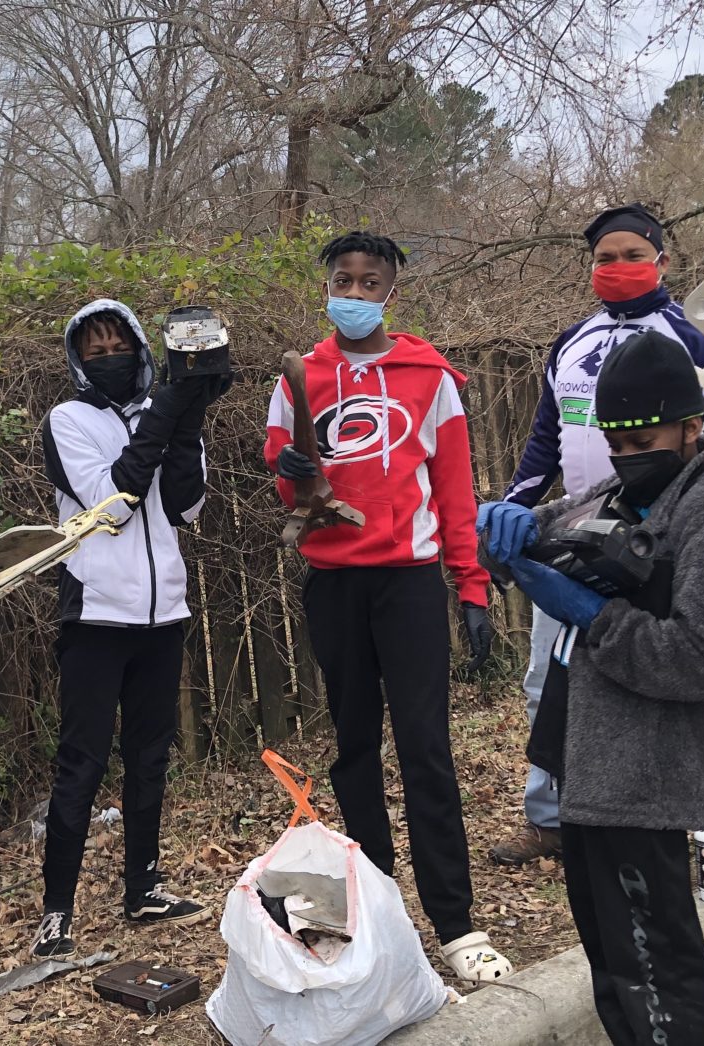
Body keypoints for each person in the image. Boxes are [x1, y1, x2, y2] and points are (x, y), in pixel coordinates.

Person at [491, 202, 704, 867]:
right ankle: (551, 817)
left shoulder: (695, 339)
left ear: (662, 261)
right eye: (606, 257)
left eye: (635, 255)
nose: (620, 267)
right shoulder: (570, 343)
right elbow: (546, 442)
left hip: (658, 541)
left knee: (646, 679)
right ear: (591, 267)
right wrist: (509, 515)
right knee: (550, 680)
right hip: (575, 536)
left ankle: (656, 823)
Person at [477, 329, 704, 1045]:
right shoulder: (614, 490)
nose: (628, 457)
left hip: (651, 778)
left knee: (655, 963)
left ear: (692, 428)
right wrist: (505, 527)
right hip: (594, 769)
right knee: (612, 953)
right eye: (616, 441)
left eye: (643, 440)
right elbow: (544, 531)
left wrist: (595, 616)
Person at [264, 231, 510, 983]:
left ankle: (455, 922)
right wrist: (292, 473)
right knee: (354, 750)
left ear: (391, 293)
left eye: (371, 282)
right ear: (327, 287)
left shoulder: (429, 378)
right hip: (335, 585)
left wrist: (471, 587)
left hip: (407, 580)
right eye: (344, 279)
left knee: (426, 748)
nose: (357, 292)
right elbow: (287, 490)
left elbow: (456, 491)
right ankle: (378, 905)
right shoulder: (298, 379)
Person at [30, 299, 229, 958]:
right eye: (95, 349)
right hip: (95, 614)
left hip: (162, 612)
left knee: (150, 758)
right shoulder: (66, 420)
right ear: (79, 361)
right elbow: (112, 502)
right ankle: (57, 912)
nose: (110, 356)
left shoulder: (160, 412)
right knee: (81, 765)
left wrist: (190, 412)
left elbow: (183, 505)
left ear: (143, 349)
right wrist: (169, 412)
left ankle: (143, 887)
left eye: (120, 344)